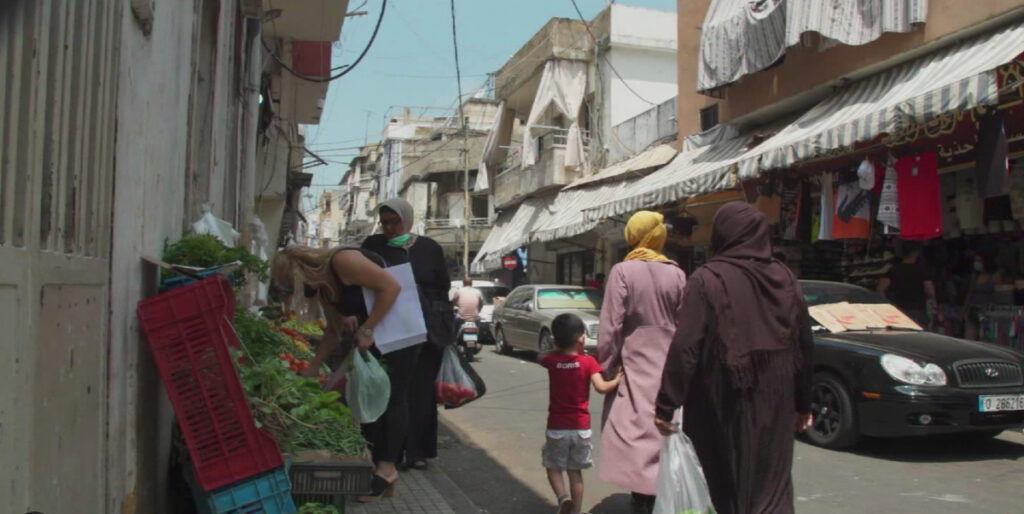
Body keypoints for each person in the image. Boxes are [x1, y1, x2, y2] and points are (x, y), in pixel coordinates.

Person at [655, 202, 814, 514]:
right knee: (772, 481)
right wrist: (803, 403)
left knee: (725, 478)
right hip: (777, 395)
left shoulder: (707, 279)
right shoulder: (785, 278)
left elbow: (686, 345)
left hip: (723, 395)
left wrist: (666, 404)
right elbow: (804, 345)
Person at [270, 245, 404, 497]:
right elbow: (333, 330)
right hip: (375, 335)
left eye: (292, 284)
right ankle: (373, 468)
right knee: (365, 399)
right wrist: (312, 368)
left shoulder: (343, 261)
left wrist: (367, 329)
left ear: (300, 272)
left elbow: (392, 287)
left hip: (398, 332)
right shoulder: (324, 286)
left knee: (392, 399)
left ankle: (387, 469)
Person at [597, 210, 688, 514]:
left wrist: (606, 365)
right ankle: (659, 491)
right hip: (669, 359)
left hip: (635, 359)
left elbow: (610, 325)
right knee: (664, 425)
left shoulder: (623, 271)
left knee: (636, 427)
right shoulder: (676, 272)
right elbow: (683, 320)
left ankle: (643, 495)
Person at [362, 198, 454, 477]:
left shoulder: (429, 248)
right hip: (387, 326)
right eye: (385, 222)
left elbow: (442, 287)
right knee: (391, 389)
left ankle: (417, 452)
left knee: (421, 391)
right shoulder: (372, 247)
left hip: (426, 329)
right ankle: (386, 450)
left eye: (395, 222)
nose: (389, 228)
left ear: (407, 219)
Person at [540, 314, 623, 514]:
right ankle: (576, 511)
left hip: (557, 427)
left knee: (552, 466)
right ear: (581, 339)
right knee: (574, 471)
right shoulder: (588, 362)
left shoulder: (552, 360)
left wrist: (559, 348)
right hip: (580, 428)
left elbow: (540, 356)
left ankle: (562, 497)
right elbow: (601, 387)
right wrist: (618, 380)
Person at [876, 242, 936, 329]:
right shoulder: (922, 270)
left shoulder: (893, 270)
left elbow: (880, 289)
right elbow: (930, 291)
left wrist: (886, 304)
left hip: (897, 308)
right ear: (916, 253)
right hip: (917, 308)